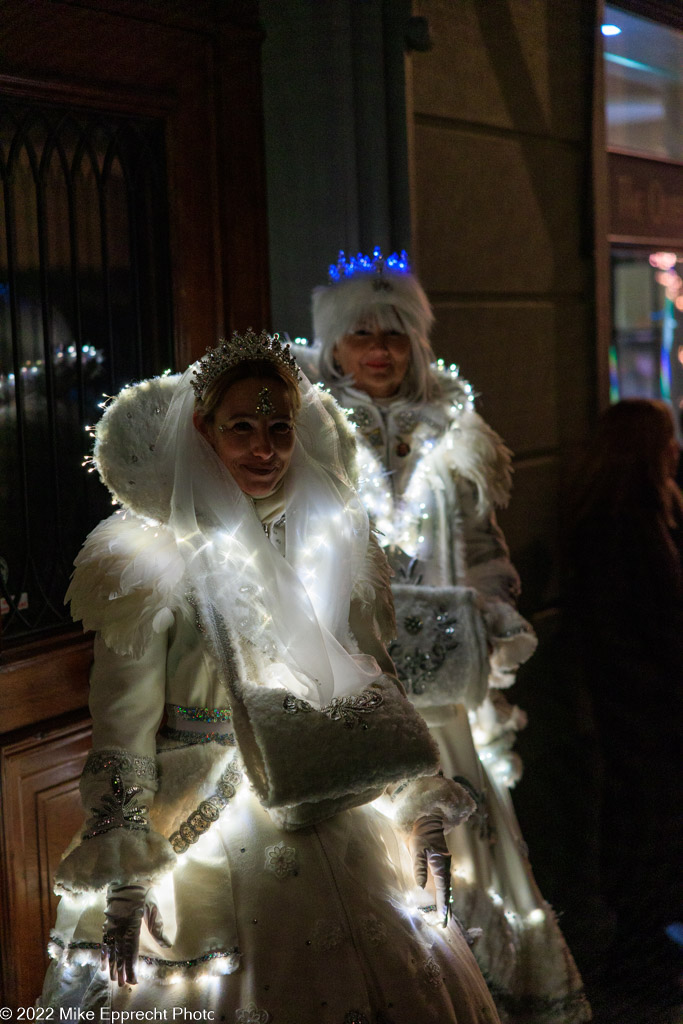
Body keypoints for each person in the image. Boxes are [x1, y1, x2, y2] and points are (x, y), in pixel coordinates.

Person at [39, 329, 503, 1024]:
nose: (264, 449)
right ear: (203, 430)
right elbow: (123, 717)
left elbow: (369, 676)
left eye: (279, 428)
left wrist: (414, 801)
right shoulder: (147, 552)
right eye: (242, 428)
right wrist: (124, 869)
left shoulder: (327, 534)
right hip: (207, 818)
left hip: (331, 793)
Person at [296, 249, 591, 1024]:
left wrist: (491, 609)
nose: (378, 351)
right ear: (333, 344)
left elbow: (483, 545)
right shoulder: (306, 431)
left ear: (416, 343)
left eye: (392, 336)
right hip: (349, 671)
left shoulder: (456, 434)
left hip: (440, 673)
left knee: (463, 825)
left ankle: (476, 980)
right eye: (361, 335)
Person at [565, 398, 683, 1020]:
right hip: (643, 712)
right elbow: (646, 625)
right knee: (649, 827)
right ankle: (643, 958)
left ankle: (648, 948)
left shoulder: (632, 515)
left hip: (639, 707)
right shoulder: (623, 525)